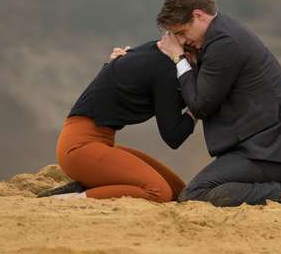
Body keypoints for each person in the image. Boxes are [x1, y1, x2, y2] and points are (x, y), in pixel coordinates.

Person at [154, 0, 281, 206]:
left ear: (198, 16)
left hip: (279, 148)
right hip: (268, 146)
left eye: (181, 33)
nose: (182, 41)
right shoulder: (219, 34)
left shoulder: (224, 43)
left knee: (196, 194)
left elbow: (200, 105)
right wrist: (130, 59)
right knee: (204, 191)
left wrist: (179, 58)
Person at [39, 40, 196, 202]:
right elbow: (173, 135)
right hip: (79, 148)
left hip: (99, 144)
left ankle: (89, 186)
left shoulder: (148, 56)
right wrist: (198, 107)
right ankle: (71, 199)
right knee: (158, 192)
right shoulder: (163, 70)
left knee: (177, 191)